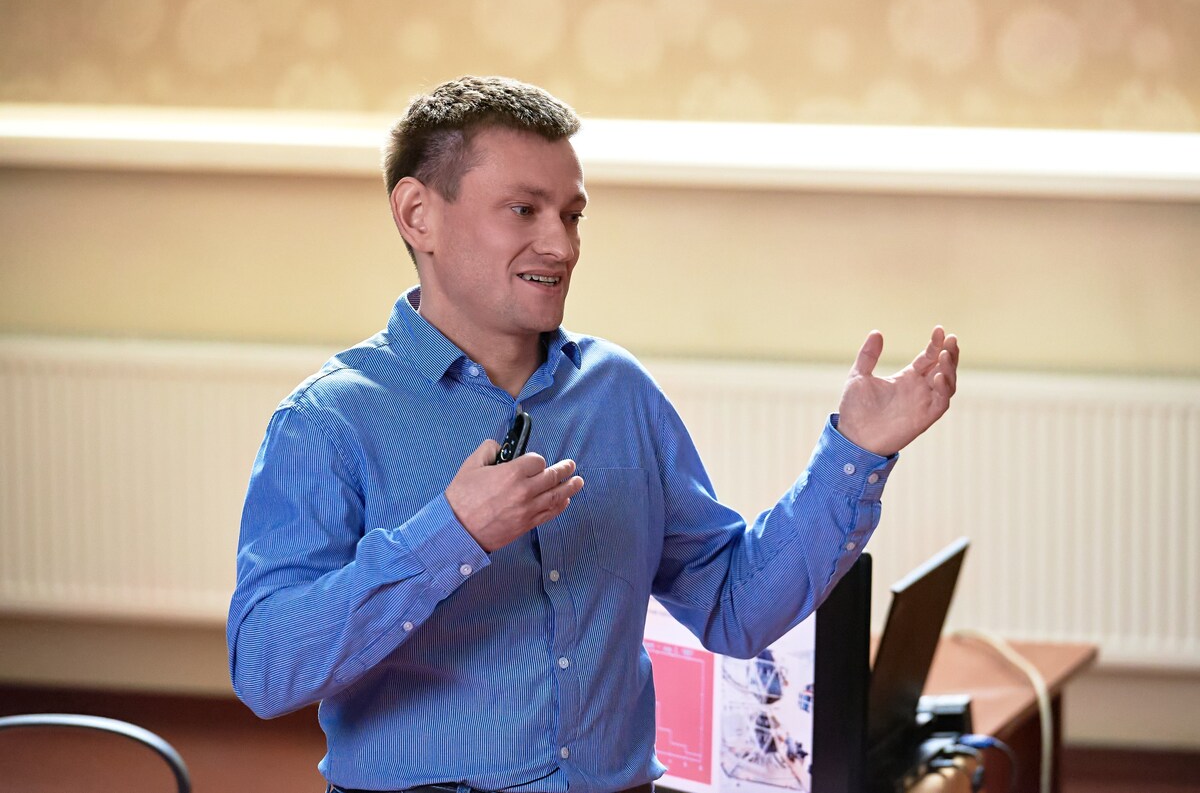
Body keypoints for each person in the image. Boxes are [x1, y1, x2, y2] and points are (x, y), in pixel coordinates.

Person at [227, 75, 959, 793]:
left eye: (572, 216)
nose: (561, 245)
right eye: (524, 210)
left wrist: (857, 451)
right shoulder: (328, 420)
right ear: (418, 215)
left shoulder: (617, 392)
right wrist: (452, 534)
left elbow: (734, 606)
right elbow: (265, 670)